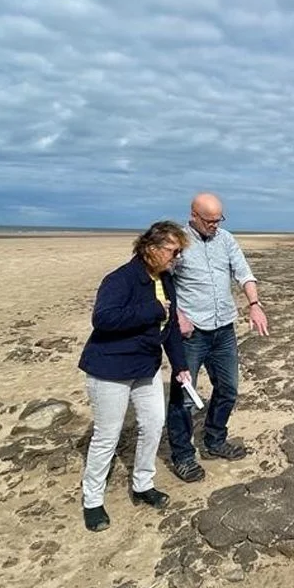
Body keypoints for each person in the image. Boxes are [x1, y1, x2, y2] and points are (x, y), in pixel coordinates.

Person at [78, 221, 192, 532]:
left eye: (179, 253)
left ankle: (143, 485)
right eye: (173, 251)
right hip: (110, 369)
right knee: (107, 435)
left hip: (146, 366)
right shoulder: (120, 279)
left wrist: (180, 365)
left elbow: (170, 327)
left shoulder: (165, 279)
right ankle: (92, 500)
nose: (177, 258)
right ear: (150, 248)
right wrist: (153, 310)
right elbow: (103, 318)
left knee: (154, 424)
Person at [165, 192, 270, 482]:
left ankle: (214, 439)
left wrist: (254, 304)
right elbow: (161, 281)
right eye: (209, 220)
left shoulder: (226, 239)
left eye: (218, 219)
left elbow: (244, 273)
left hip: (224, 329)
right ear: (193, 216)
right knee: (184, 399)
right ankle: (183, 456)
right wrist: (177, 315)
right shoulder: (177, 242)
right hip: (191, 334)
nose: (215, 225)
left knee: (228, 389)